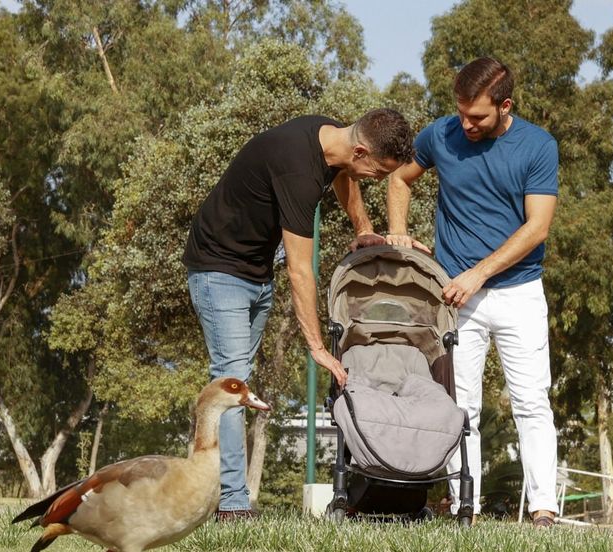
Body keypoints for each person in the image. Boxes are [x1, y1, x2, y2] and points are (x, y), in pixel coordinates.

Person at [183, 109, 416, 521]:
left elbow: (345, 177)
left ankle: (211, 493)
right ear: (360, 151)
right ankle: (232, 505)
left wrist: (362, 225)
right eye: (378, 172)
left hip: (253, 271)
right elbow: (300, 269)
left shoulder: (331, 139)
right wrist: (316, 347)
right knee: (231, 385)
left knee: (236, 381)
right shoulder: (299, 171)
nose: (378, 180)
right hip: (218, 270)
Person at [385, 57, 559, 527]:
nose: (467, 124)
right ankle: (468, 506)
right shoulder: (441, 135)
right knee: (462, 407)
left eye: (477, 116)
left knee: (530, 401)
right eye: (461, 112)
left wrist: (478, 274)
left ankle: (544, 510)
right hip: (455, 296)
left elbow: (537, 227)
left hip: (519, 294)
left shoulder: (538, 146)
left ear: (506, 106)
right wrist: (398, 232)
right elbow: (399, 177)